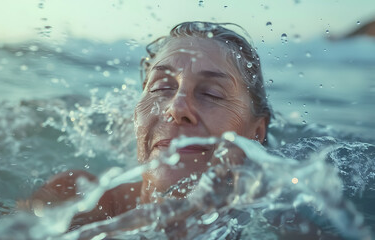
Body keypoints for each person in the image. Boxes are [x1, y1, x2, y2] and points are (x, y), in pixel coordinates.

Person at [17, 21, 271, 230]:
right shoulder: (74, 203)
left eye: (212, 94)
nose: (177, 108)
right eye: (161, 87)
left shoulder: (283, 217)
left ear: (257, 133)